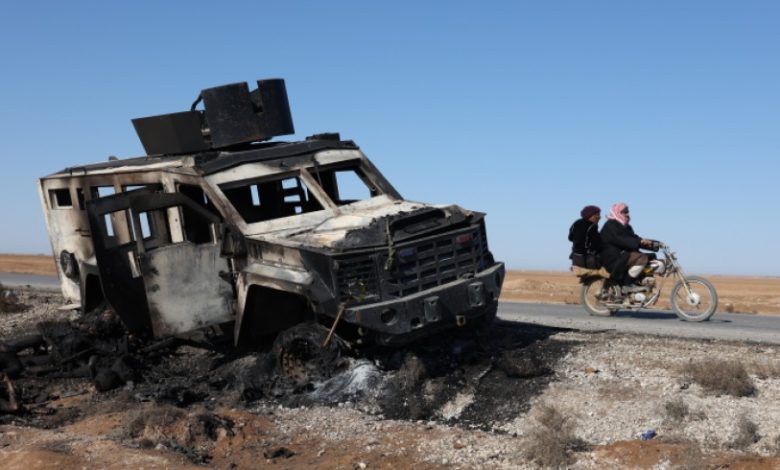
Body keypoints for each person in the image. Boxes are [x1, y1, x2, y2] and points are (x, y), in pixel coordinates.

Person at [599, 202, 657, 286]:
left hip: (623, 255)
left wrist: (653, 244)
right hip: (612, 258)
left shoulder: (627, 227)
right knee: (642, 258)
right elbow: (621, 239)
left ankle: (642, 282)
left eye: (628, 211)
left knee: (651, 258)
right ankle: (627, 284)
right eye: (625, 211)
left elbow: (633, 238)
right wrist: (639, 242)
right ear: (617, 212)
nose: (627, 214)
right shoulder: (611, 225)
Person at [568, 205, 603, 270]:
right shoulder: (592, 226)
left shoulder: (576, 223)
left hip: (576, 255)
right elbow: (596, 242)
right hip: (588, 257)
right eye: (597, 215)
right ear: (590, 216)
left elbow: (570, 237)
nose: (599, 217)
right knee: (592, 273)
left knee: (580, 273)